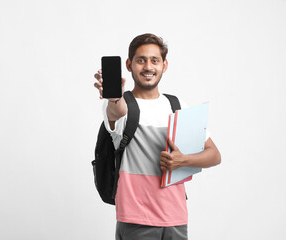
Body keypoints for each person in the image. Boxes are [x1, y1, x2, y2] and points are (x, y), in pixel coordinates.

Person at [93, 33, 221, 240]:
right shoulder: (125, 105)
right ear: (129, 64)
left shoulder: (176, 106)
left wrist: (184, 160)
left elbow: (214, 155)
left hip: (176, 217)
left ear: (164, 65)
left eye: (155, 60)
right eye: (141, 60)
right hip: (136, 218)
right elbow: (117, 111)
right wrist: (114, 98)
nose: (148, 67)